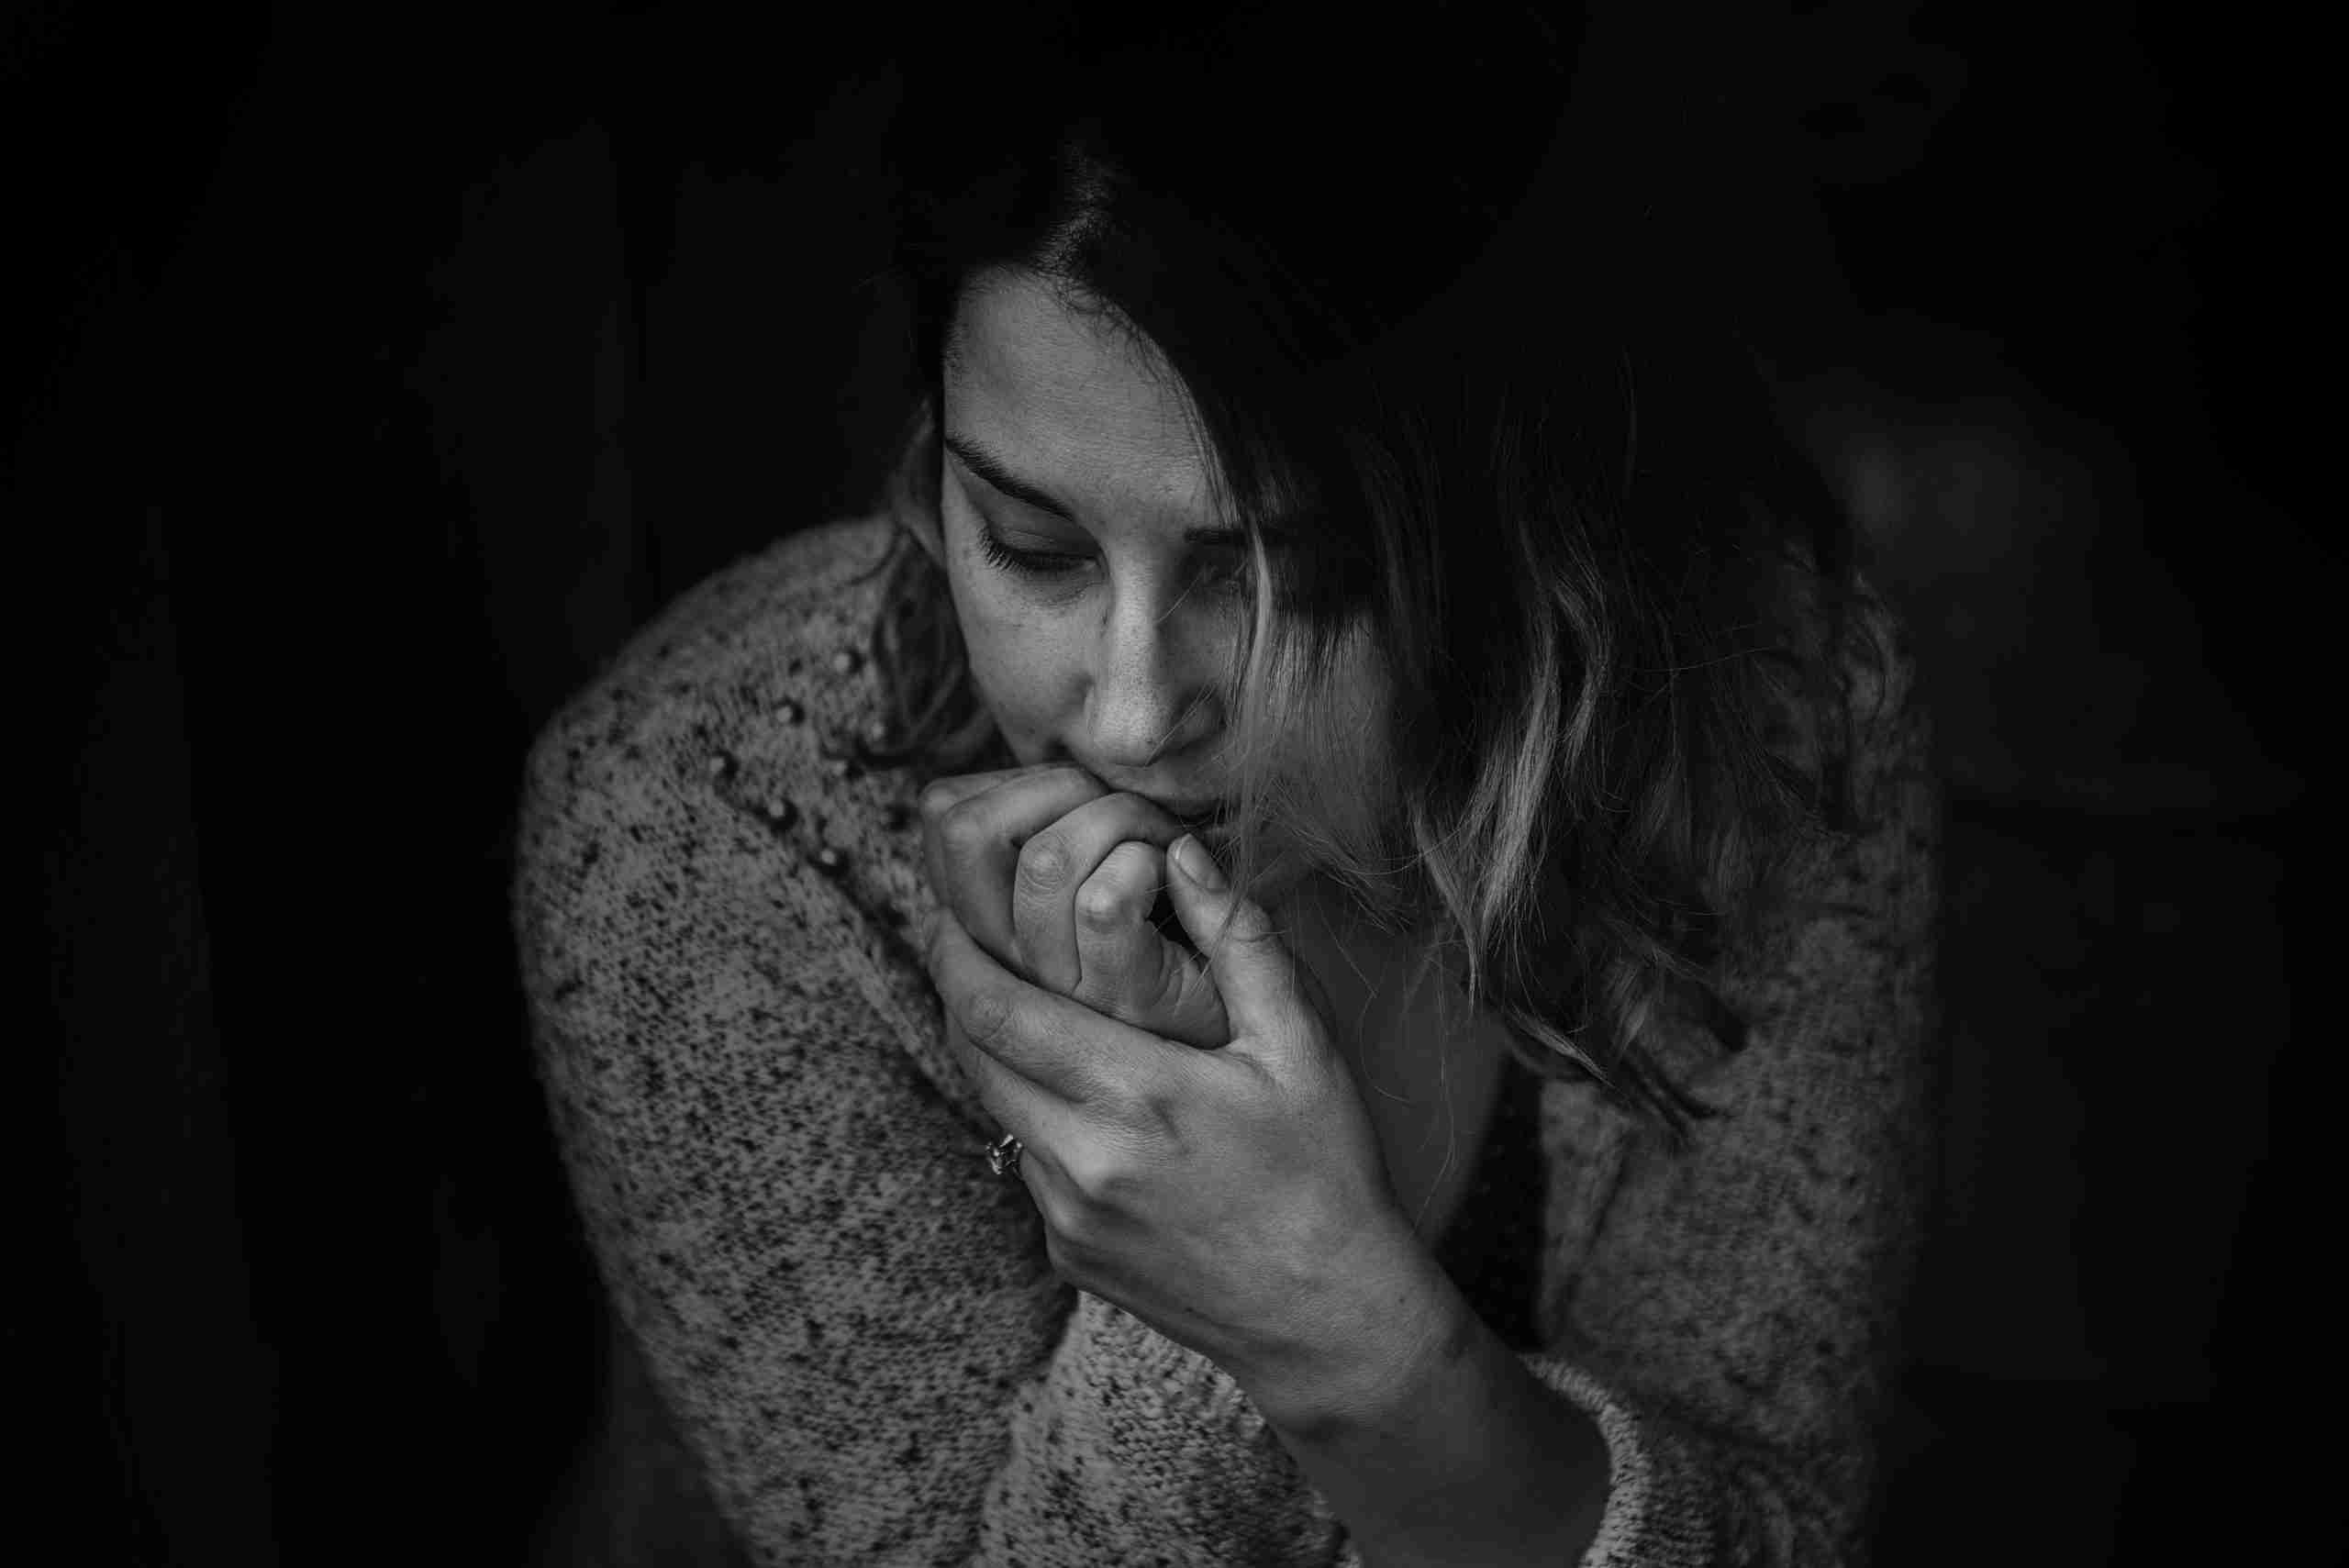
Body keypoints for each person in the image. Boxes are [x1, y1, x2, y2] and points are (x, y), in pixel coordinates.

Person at [511, 6, 1940, 1563]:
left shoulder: (1764, 708)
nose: (1131, 709)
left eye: (1293, 576)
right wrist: (1194, 1305)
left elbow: (1785, 1536)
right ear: (931, 464)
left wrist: (1340, 1332)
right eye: (1033, 547)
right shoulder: (704, 822)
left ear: (1525, 531)